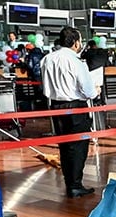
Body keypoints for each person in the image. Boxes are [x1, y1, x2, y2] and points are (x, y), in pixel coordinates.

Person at [40, 27, 98, 198]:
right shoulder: (75, 61)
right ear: (75, 42)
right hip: (75, 107)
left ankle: (70, 183)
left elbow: (45, 86)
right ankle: (75, 184)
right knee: (78, 147)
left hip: (56, 106)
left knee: (64, 146)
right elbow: (87, 90)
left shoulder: (47, 59)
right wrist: (95, 91)